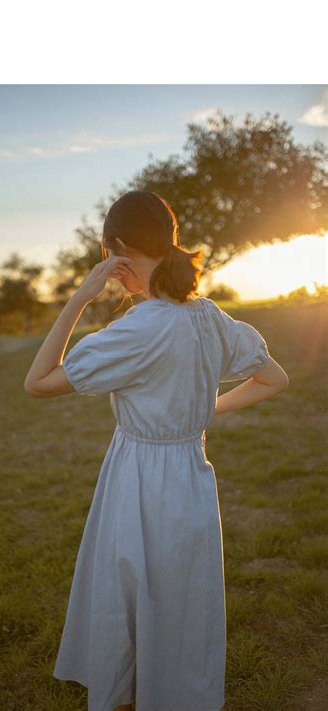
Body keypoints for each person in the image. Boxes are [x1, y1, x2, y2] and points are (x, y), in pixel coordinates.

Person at [24, 190, 289, 711]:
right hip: (191, 477)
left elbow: (38, 382)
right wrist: (202, 413)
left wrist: (79, 299)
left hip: (137, 479)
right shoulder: (210, 316)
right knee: (180, 608)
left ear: (117, 249)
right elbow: (273, 379)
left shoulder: (135, 331)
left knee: (125, 606)